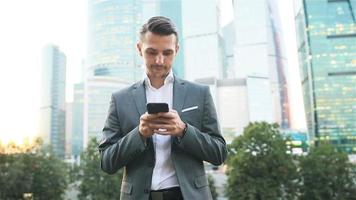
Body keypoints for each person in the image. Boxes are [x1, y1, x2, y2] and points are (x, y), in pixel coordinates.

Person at [98, 16, 227, 200]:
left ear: (177, 50)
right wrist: (139, 134)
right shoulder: (120, 99)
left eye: (167, 53)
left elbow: (219, 153)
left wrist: (183, 131)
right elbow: (106, 162)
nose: (159, 60)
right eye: (151, 52)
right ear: (139, 50)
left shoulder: (199, 93)